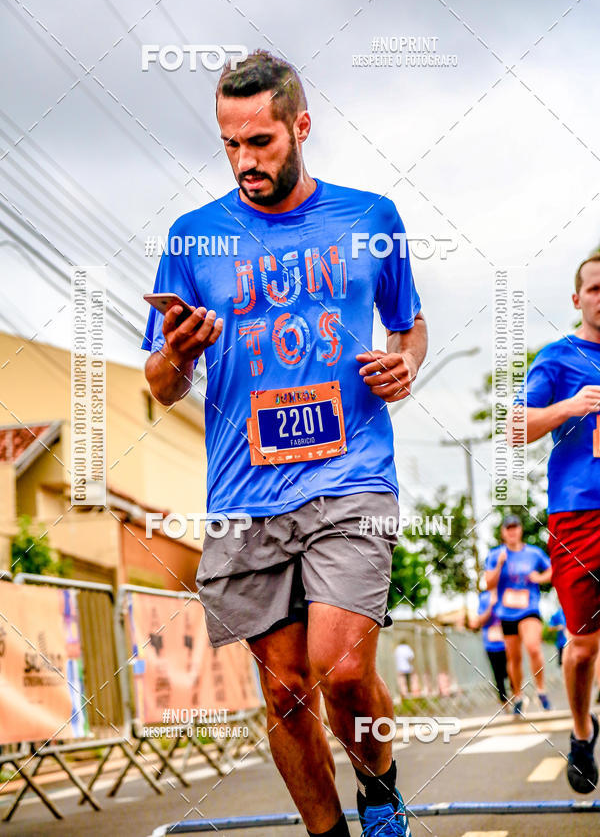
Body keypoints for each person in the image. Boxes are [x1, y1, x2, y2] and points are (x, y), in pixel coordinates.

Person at [143, 50, 427, 837]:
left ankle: (382, 789)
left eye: (261, 141)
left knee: (340, 669)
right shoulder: (193, 239)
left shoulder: (371, 220)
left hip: (351, 474)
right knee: (285, 692)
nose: (245, 162)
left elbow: (410, 326)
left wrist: (404, 364)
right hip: (244, 494)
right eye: (230, 144)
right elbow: (160, 385)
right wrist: (180, 355)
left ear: (301, 127)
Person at [513, 254, 600, 792]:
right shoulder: (559, 358)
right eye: (595, 288)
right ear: (578, 299)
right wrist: (570, 406)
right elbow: (516, 427)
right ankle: (580, 729)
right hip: (580, 514)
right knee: (585, 646)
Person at [484, 515, 552, 716]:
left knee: (533, 647)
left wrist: (539, 577)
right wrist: (499, 564)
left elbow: (552, 570)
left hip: (529, 608)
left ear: (520, 530)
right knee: (513, 658)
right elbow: (488, 584)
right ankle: (519, 695)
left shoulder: (533, 553)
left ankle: (541, 690)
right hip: (507, 612)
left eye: (515, 527)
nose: (512, 532)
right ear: (503, 532)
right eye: (508, 528)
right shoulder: (496, 554)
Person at [475, 586, 508, 706]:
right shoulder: (484, 597)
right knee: (498, 676)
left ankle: (517, 698)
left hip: (508, 642)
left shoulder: (506, 590)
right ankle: (505, 702)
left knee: (510, 671)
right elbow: (481, 620)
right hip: (491, 644)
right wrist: (491, 605)